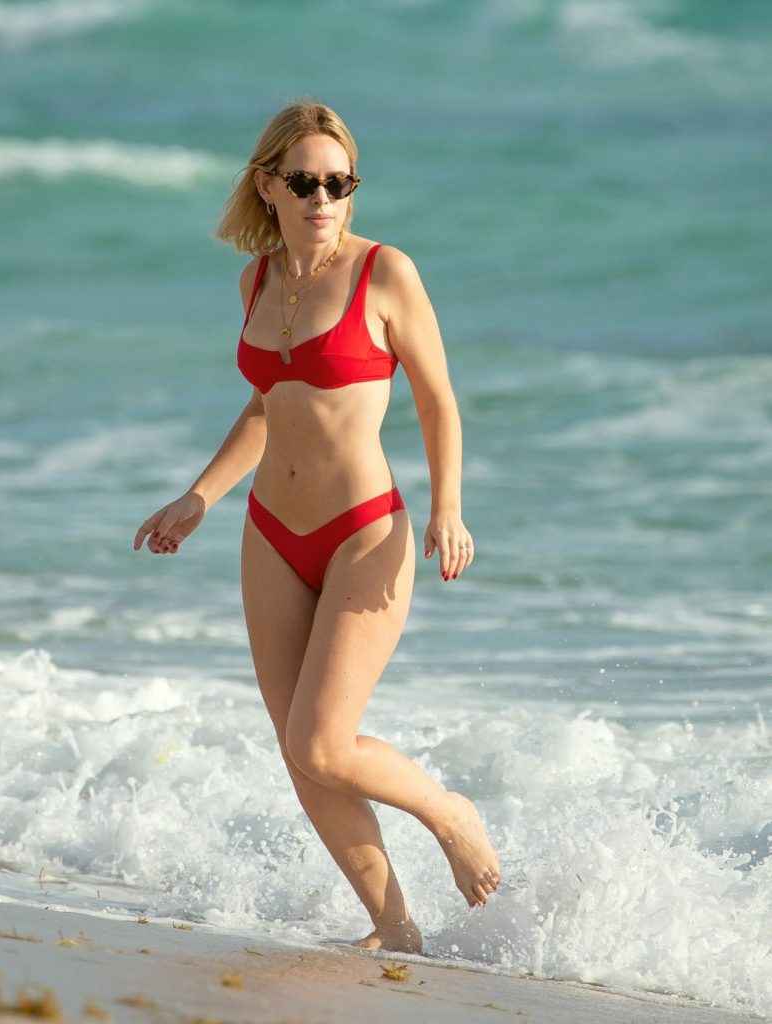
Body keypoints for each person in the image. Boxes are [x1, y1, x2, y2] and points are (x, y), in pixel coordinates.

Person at [133, 99, 500, 954]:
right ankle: (394, 928)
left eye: (340, 182)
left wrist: (447, 508)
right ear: (268, 185)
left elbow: (437, 399)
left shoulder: (385, 272)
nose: (323, 198)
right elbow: (269, 403)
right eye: (304, 182)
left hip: (363, 531)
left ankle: (448, 812)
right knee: (297, 750)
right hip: (270, 530)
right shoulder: (256, 281)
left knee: (324, 742)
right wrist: (200, 496)